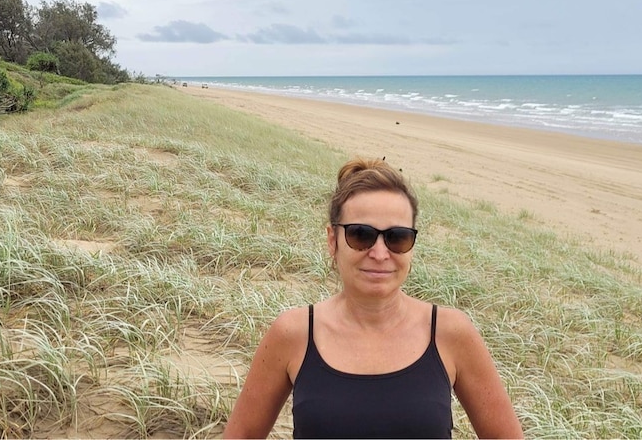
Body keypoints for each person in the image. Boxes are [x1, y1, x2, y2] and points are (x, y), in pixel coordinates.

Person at [223, 157, 523, 439]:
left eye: (397, 237)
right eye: (361, 235)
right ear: (332, 240)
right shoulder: (293, 333)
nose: (380, 254)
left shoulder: (450, 332)